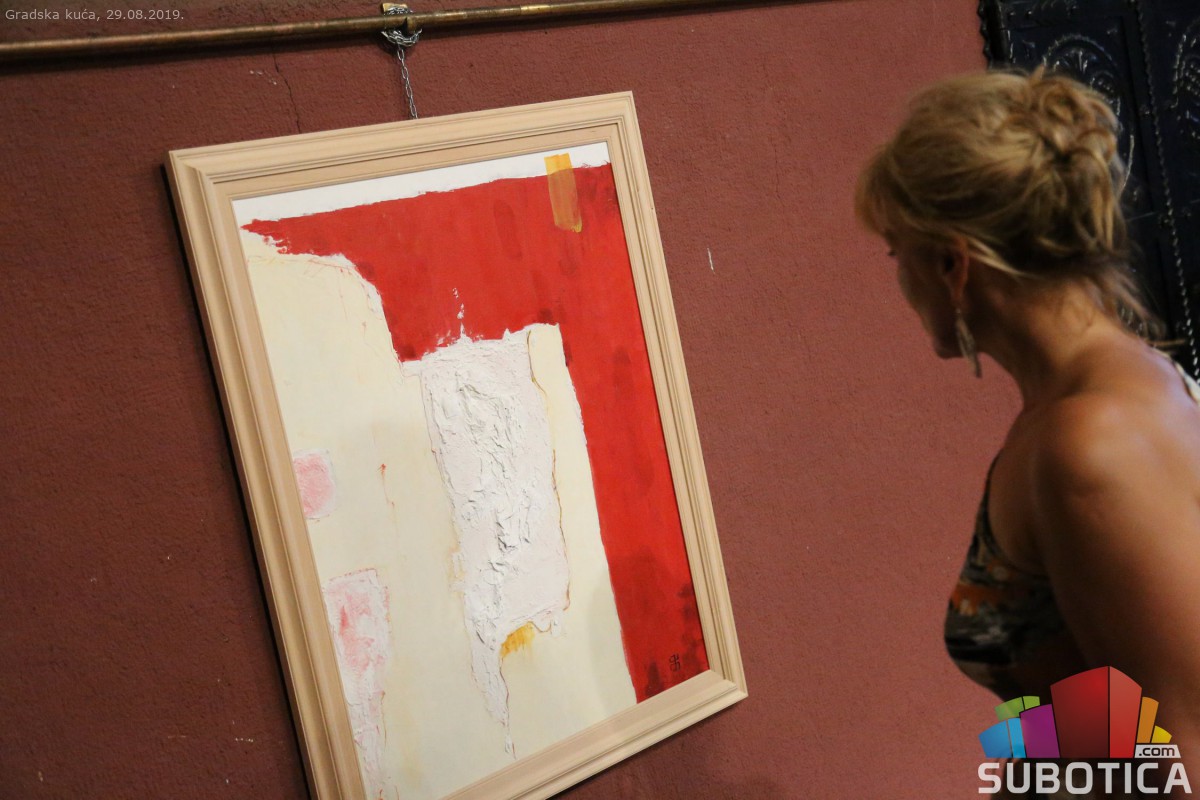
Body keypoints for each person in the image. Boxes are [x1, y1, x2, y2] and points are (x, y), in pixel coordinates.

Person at [856, 68, 1200, 796]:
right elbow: (1104, 711)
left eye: (895, 251)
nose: (897, 278)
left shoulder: (1089, 444)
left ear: (951, 262)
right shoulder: (1122, 386)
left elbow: (1182, 750)